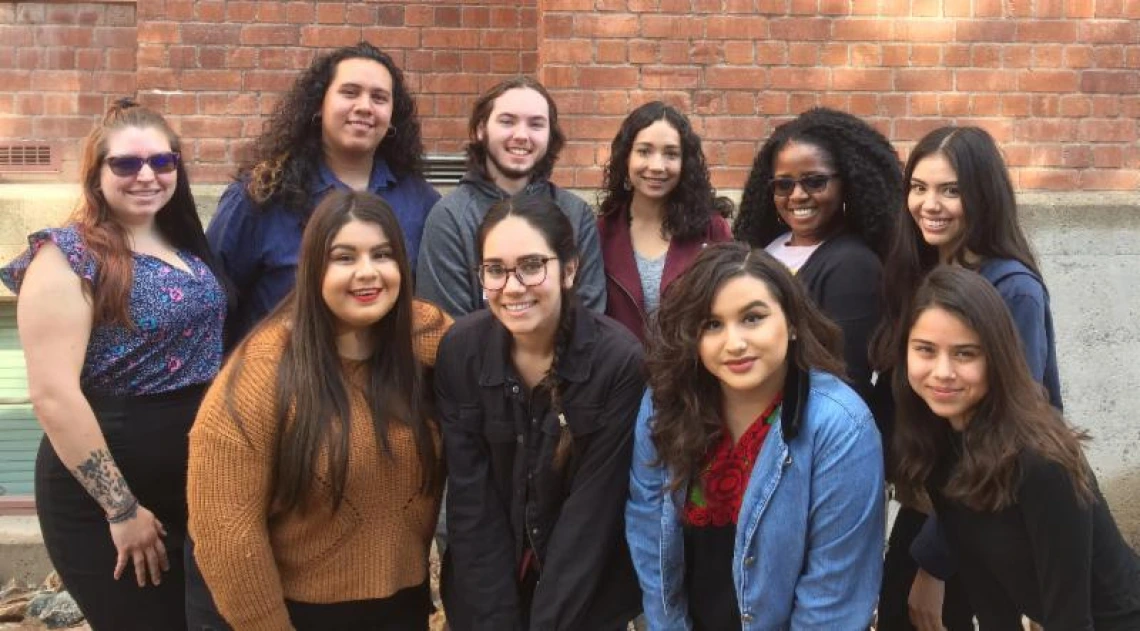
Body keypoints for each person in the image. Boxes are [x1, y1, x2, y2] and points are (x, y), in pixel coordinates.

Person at [0, 99, 230, 630]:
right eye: (126, 164)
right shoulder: (67, 257)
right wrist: (121, 510)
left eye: (162, 161)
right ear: (96, 174)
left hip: (190, 484)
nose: (146, 174)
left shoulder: (183, 246)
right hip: (106, 496)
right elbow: (53, 395)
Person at [185, 190, 452, 630]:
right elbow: (226, 534)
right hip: (301, 614)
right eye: (344, 258)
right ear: (313, 269)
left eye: (382, 255)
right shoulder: (262, 373)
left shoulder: (426, 337)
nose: (367, 273)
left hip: (404, 606)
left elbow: (497, 359)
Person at [626, 243, 884, 630]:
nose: (734, 343)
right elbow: (648, 527)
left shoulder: (841, 427)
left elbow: (833, 600)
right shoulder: (667, 402)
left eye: (753, 318)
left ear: (793, 322)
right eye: (712, 325)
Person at [873, 125, 1065, 631]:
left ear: (982, 195)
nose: (929, 204)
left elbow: (1006, 433)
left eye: (950, 190)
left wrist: (936, 562)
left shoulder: (1011, 290)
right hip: (929, 503)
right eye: (919, 187)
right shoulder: (917, 272)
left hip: (981, 511)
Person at [436, 193, 643, 630]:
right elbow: (471, 502)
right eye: (495, 270)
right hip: (487, 590)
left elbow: (592, 515)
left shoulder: (618, 362)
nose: (512, 287)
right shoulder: (461, 351)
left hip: (586, 598)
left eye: (532, 265)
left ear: (568, 269)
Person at [893, 265, 1140, 629]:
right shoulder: (937, 446)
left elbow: (1070, 620)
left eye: (964, 354)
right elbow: (987, 595)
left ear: (996, 357)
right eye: (926, 350)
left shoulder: (1040, 459)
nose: (942, 371)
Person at [207, 42, 439, 345]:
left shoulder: (422, 203)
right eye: (350, 92)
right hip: (275, 381)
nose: (365, 107)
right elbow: (214, 304)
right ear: (319, 104)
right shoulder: (259, 197)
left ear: (393, 115)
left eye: (379, 97)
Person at [733, 107, 900, 404]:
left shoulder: (853, 266)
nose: (797, 195)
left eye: (815, 181)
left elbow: (847, 379)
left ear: (846, 183)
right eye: (784, 184)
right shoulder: (769, 247)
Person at [416, 76, 606, 318]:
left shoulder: (575, 214)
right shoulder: (450, 217)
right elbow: (446, 326)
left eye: (536, 124)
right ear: (480, 130)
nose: (521, 135)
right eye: (507, 122)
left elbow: (589, 317)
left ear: (550, 136)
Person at [596, 101, 732, 344]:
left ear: (685, 163)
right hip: (622, 376)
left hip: (692, 374)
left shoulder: (712, 230)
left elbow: (731, 305)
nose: (657, 166)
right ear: (626, 157)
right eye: (644, 151)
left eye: (671, 154)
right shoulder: (600, 233)